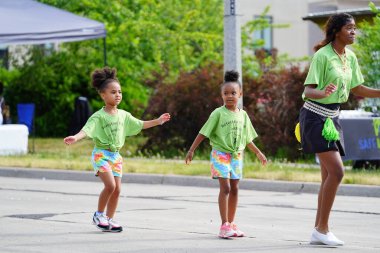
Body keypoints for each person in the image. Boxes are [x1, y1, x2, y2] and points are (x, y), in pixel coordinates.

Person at [299, 13, 380, 246]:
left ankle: (318, 230)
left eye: (355, 28)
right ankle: (322, 229)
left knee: (327, 176)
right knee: (337, 172)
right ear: (336, 31)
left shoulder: (350, 57)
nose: (354, 32)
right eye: (349, 28)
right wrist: (323, 92)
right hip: (315, 116)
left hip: (333, 119)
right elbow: (308, 91)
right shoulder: (322, 56)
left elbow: (357, 88)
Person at [64, 67, 170, 233]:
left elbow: (140, 124)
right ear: (103, 95)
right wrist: (75, 138)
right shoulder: (98, 116)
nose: (118, 95)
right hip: (101, 154)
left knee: (117, 189)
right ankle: (98, 215)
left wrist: (157, 121)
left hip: (116, 156)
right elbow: (87, 130)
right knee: (110, 186)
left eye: (119, 92)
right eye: (113, 92)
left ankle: (109, 218)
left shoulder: (123, 115)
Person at [185, 70, 267, 239]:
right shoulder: (218, 113)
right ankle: (224, 225)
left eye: (233, 93)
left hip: (237, 155)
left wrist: (258, 153)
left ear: (240, 94)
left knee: (235, 189)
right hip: (220, 154)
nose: (230, 96)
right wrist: (191, 150)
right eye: (226, 93)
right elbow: (203, 132)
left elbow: (247, 139)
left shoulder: (243, 115)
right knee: (226, 188)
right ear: (221, 95)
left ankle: (231, 222)